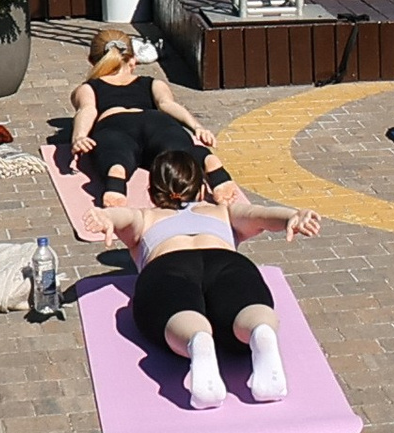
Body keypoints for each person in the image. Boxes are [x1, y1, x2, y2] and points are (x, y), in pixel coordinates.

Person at [92, 151, 320, 410]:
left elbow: (121, 216)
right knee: (246, 306)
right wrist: (292, 216)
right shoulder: (222, 212)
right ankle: (261, 330)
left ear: (151, 191)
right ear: (201, 189)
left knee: (176, 312)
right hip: (225, 261)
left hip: (167, 265)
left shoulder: (145, 217)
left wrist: (105, 217)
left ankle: (197, 340)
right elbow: (260, 214)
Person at [68, 27, 242, 208]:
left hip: (114, 125)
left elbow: (87, 110)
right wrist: (197, 127)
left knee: (116, 154)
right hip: (157, 122)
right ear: (134, 61)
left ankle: (116, 178)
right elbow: (168, 105)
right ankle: (208, 162)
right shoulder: (152, 83)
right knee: (179, 152)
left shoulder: (88, 88)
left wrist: (79, 136)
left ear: (91, 61)